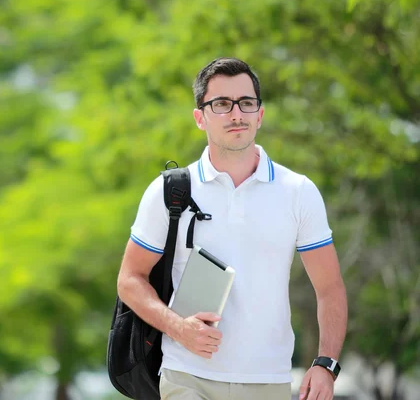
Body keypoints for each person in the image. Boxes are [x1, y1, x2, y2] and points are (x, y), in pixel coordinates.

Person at [117, 57, 347, 400]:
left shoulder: (298, 191)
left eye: (246, 103)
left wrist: (326, 363)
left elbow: (329, 288)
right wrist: (178, 328)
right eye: (222, 104)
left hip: (268, 380)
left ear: (260, 114)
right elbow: (129, 280)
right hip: (187, 375)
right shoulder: (171, 191)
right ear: (200, 117)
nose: (236, 114)